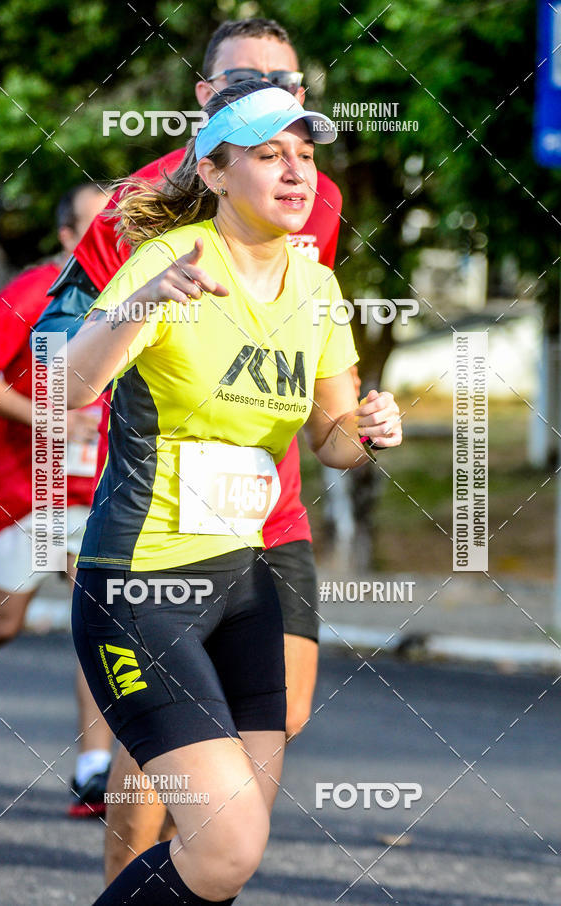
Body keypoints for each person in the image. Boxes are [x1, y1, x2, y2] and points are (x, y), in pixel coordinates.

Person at [67, 80, 402, 905]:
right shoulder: (167, 262)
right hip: (142, 582)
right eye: (267, 155)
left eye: (305, 156)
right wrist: (141, 302)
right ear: (215, 174)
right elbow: (67, 388)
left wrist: (369, 424)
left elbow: (332, 445)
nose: (296, 174)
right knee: (226, 844)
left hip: (248, 586)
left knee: (228, 854)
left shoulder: (317, 288)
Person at [34, 16, 347, 879]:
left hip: (267, 517)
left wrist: (354, 420)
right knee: (176, 755)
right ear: (206, 98)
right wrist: (69, 498)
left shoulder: (312, 199)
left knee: (263, 753)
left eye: (285, 85)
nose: (271, 100)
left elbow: (317, 346)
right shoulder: (136, 209)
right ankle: (128, 877)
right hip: (155, 517)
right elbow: (58, 359)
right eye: (245, 84)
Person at [0, 183, 114, 818]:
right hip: (30, 488)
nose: (112, 234)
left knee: (99, 619)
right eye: (96, 224)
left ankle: (95, 769)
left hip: (100, 490)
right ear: (66, 237)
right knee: (3, 623)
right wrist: (46, 418)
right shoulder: (35, 292)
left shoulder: (144, 296)